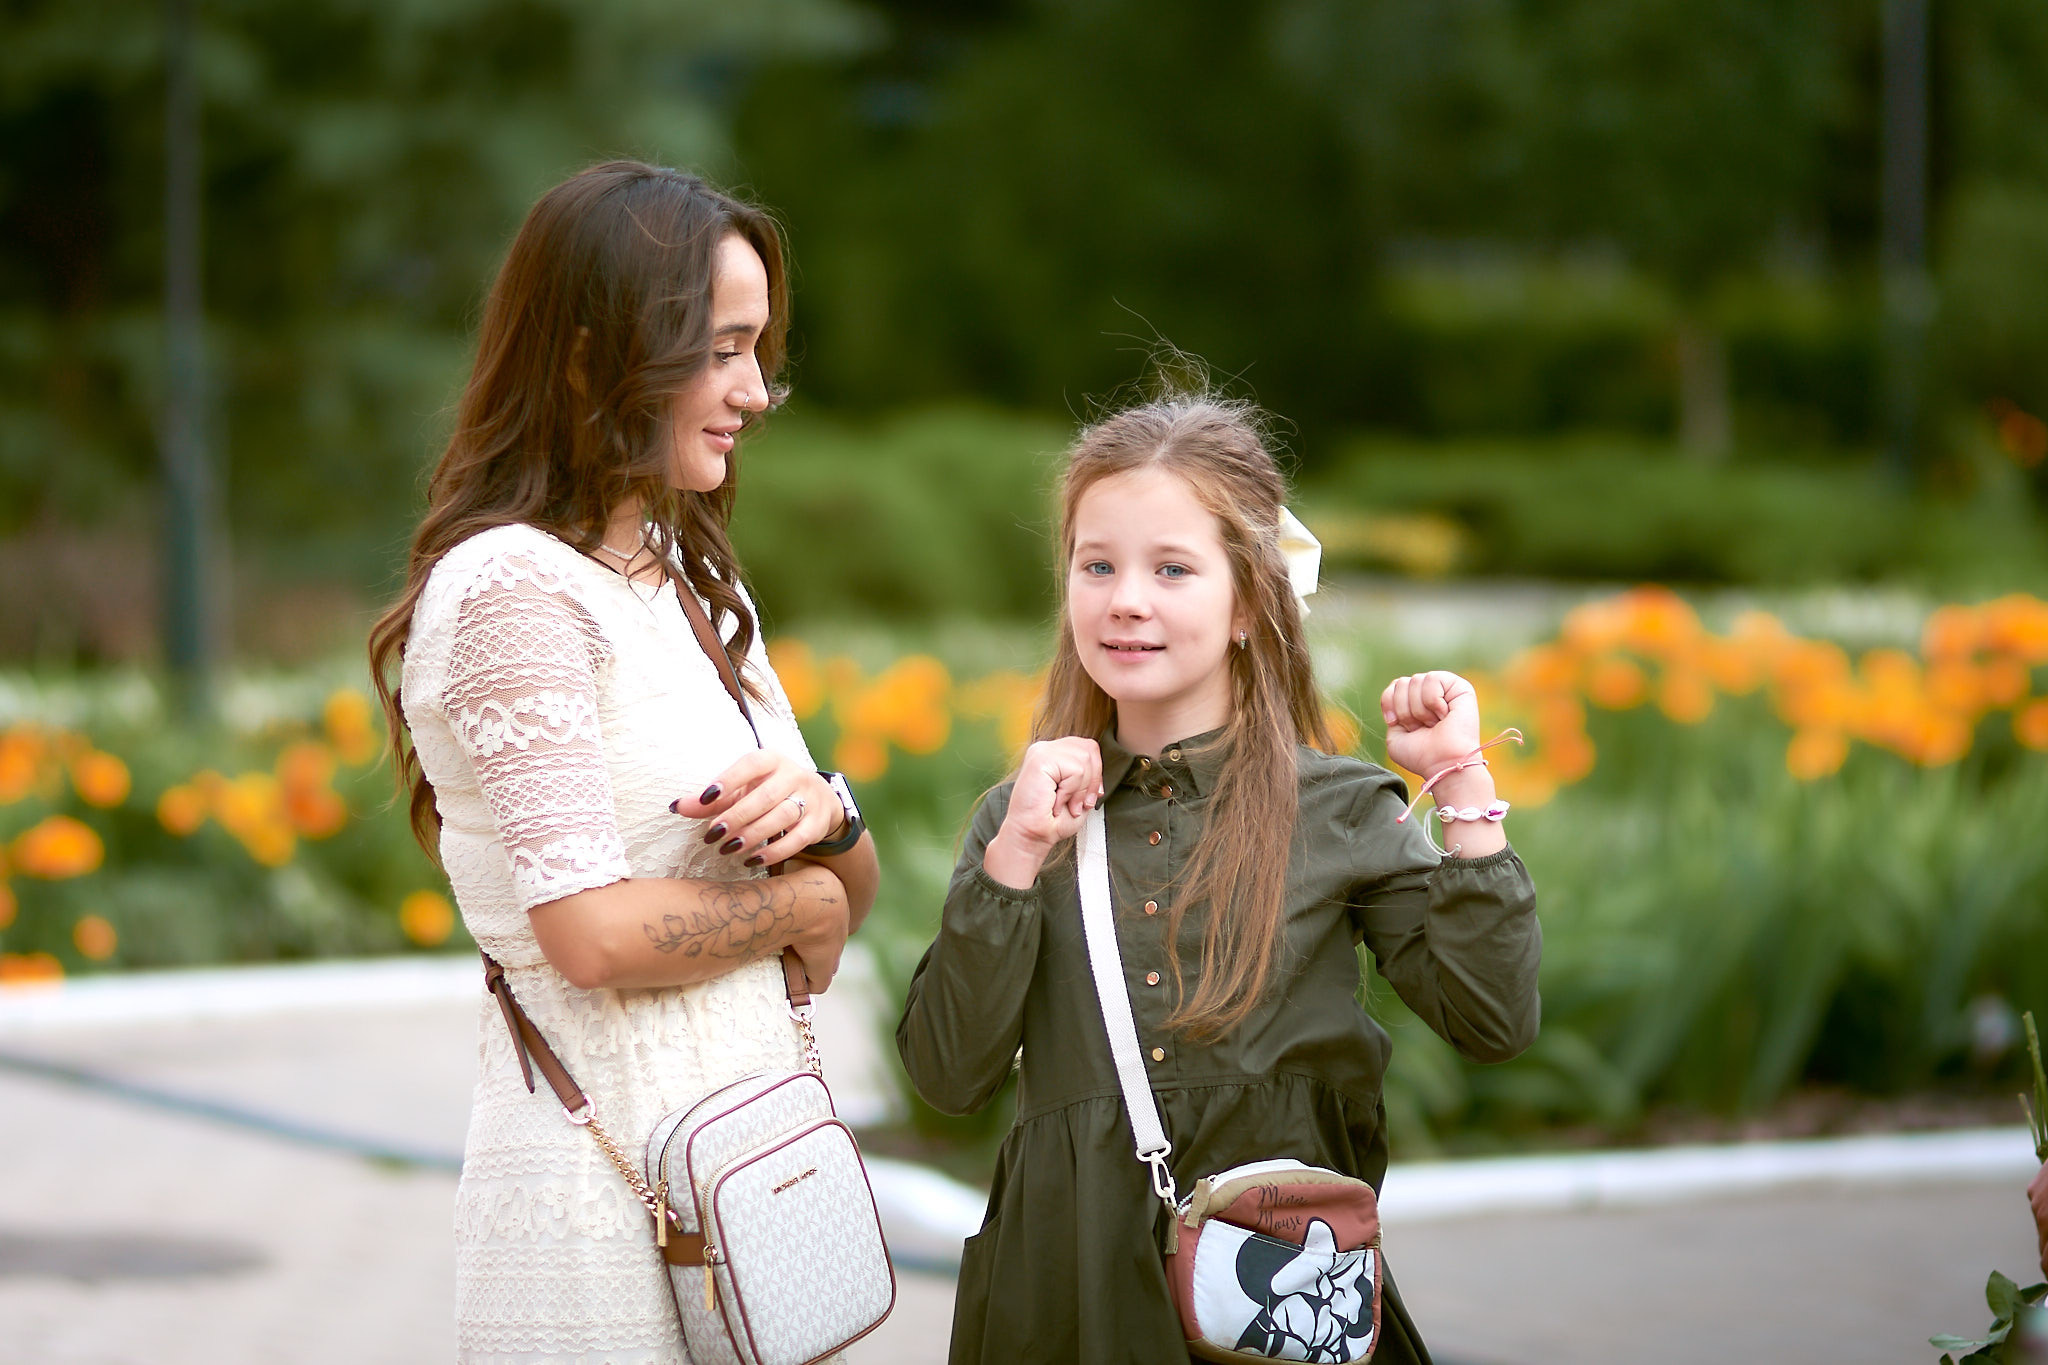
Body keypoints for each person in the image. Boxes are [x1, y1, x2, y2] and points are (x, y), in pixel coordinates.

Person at [897, 390, 1541, 1364]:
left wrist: (1458, 782)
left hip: (1275, 1298)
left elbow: (1491, 1020)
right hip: (1063, 1301)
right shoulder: (1021, 816)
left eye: (1171, 569)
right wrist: (1013, 860)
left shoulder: (1337, 808)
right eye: (1096, 564)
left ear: (1247, 602)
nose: (1123, 599)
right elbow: (947, 1077)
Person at [367, 161, 879, 1364]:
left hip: (756, 1175)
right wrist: (796, 900)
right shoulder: (511, 591)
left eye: (761, 350)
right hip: (600, 1216)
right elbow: (589, 937)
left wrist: (828, 828)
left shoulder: (694, 576)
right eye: (724, 350)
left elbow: (848, 901)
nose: (757, 391)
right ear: (596, 356)